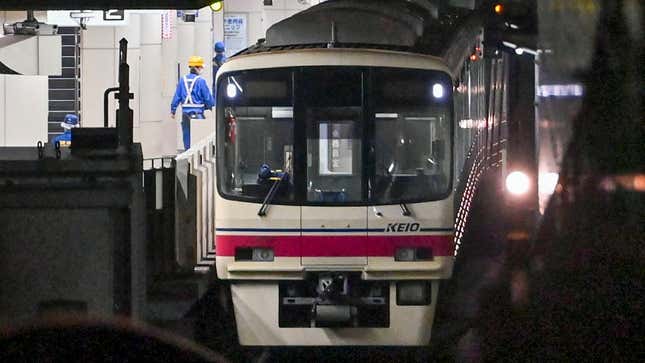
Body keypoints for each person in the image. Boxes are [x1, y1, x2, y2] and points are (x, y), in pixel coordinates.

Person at [170, 56, 215, 150]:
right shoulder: (201, 81)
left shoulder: (182, 80)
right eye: (201, 67)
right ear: (197, 68)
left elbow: (177, 96)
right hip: (198, 114)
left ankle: (188, 156)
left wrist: (173, 110)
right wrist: (212, 107)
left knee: (187, 139)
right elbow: (207, 98)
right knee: (199, 141)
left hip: (185, 114)